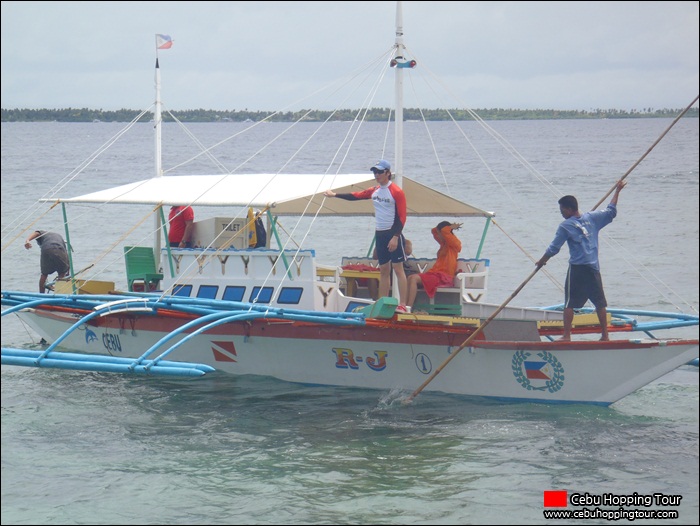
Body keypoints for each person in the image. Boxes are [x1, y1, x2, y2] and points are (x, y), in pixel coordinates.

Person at [535, 180, 627, 341]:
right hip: (593, 267)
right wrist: (617, 191)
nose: (561, 212)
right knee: (600, 303)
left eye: (562, 209)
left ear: (569, 209)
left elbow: (553, 248)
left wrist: (542, 261)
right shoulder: (592, 218)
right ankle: (605, 335)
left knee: (569, 304)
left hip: (578, 269)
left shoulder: (565, 226)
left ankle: (567, 335)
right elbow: (611, 211)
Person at [324, 159, 410, 311]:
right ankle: (382, 302)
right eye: (375, 172)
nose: (377, 174)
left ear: (388, 173)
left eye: (380, 172)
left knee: (397, 268)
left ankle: (403, 304)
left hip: (393, 232)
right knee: (383, 270)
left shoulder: (396, 191)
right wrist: (334, 195)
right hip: (380, 233)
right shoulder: (374, 190)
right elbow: (356, 195)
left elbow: (402, 217)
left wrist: (396, 236)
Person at [406, 221, 462, 310]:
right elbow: (434, 231)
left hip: (444, 277)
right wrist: (446, 228)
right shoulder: (443, 244)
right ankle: (405, 306)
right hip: (436, 274)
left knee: (413, 278)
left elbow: (444, 231)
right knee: (410, 277)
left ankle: (408, 307)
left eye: (440, 234)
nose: (438, 236)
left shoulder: (453, 244)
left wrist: (450, 227)